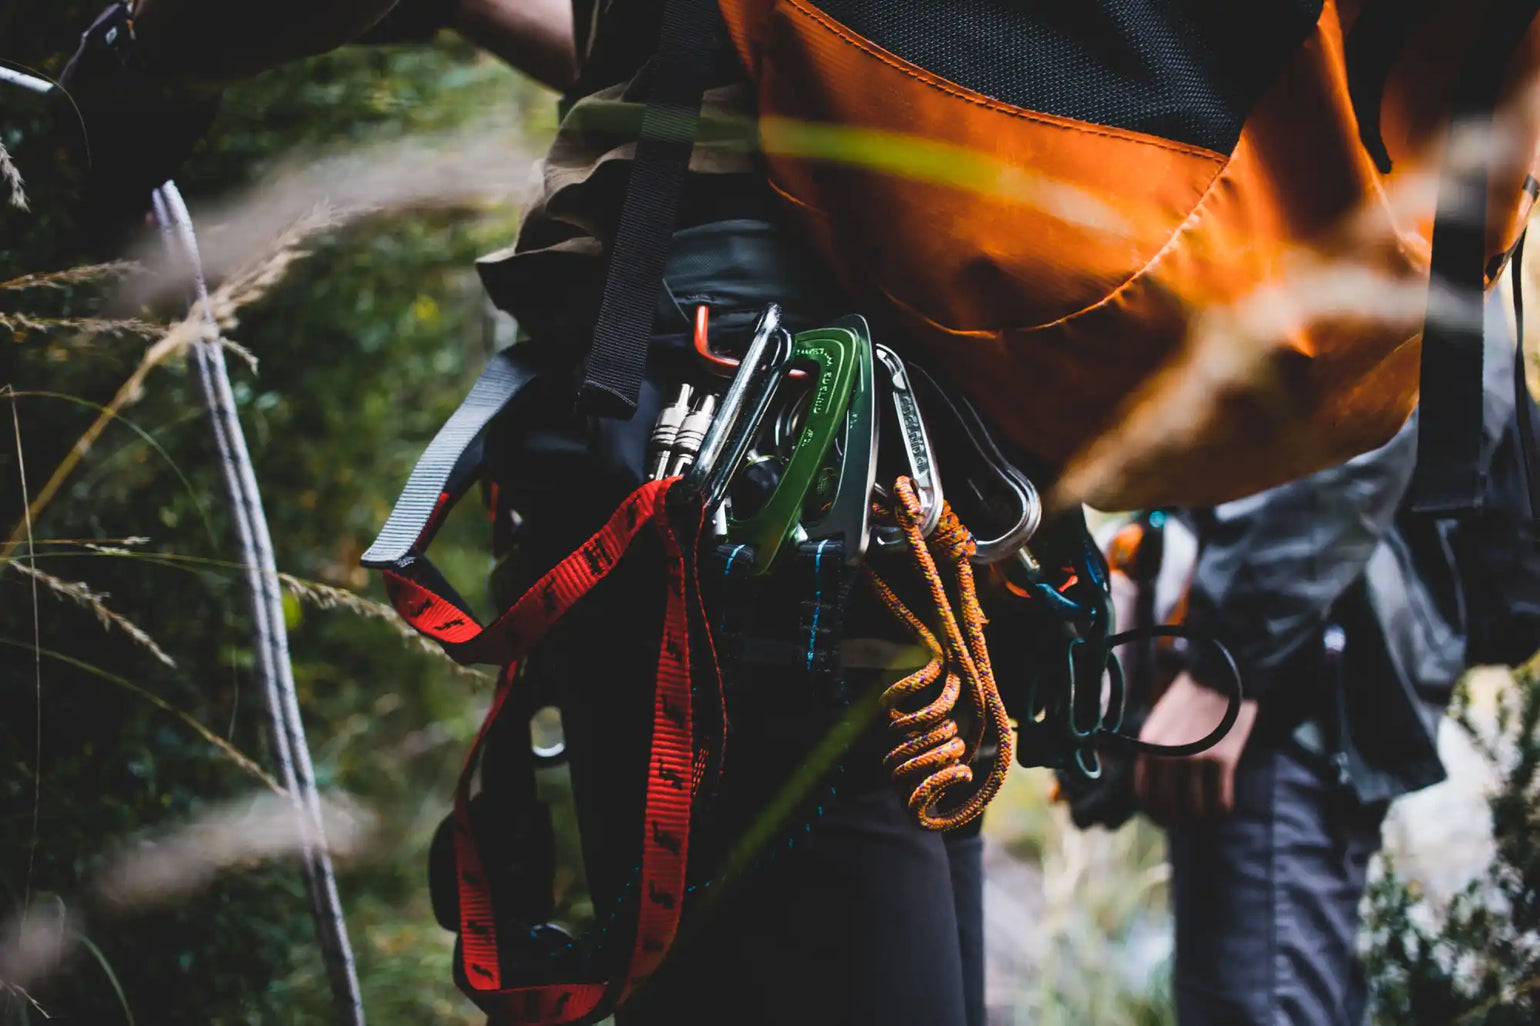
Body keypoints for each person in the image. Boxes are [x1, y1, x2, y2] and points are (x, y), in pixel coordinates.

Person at [1129, 286, 1534, 1025]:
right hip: (1299, 668)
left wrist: (1229, 664)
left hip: (1295, 688)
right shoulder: (1443, 214)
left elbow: (1366, 424)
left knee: (1259, 1000)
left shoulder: (1418, 207)